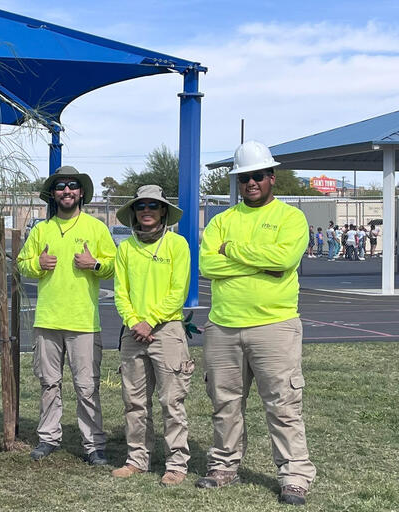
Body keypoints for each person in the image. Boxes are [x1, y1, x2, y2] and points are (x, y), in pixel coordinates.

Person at [197, 141, 316, 506]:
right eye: (244, 177)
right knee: (225, 402)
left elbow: (283, 260)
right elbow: (206, 265)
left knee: (282, 404)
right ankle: (224, 465)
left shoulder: (291, 218)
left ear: (271, 177)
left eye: (258, 176)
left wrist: (231, 251)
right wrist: (259, 261)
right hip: (223, 326)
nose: (251, 183)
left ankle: (295, 474)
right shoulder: (221, 220)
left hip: (274, 326)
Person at [17, 165, 116, 465]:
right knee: (49, 383)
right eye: (61, 186)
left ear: (81, 192)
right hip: (47, 321)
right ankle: (48, 437)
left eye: (72, 185)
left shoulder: (96, 228)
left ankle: (93, 444)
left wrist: (94, 263)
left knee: (87, 386)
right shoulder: (41, 230)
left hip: (84, 322)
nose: (67, 191)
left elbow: (113, 267)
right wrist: (38, 263)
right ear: (53, 194)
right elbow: (22, 263)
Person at [110, 185, 194, 486]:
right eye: (141, 206)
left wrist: (151, 321)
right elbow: (121, 292)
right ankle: (137, 459)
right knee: (134, 402)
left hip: (167, 330)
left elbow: (178, 291)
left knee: (171, 401)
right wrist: (135, 322)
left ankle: (176, 464)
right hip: (134, 332)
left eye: (152, 206)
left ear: (163, 211)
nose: (146, 211)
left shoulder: (177, 244)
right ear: (134, 212)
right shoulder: (126, 248)